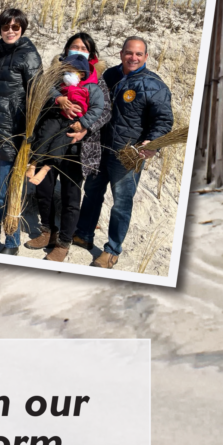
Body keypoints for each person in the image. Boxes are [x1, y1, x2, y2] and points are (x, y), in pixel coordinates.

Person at [75, 35, 174, 269]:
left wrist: (152, 143)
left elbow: (163, 120)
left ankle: (112, 250)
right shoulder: (110, 75)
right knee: (91, 192)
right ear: (121, 54)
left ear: (146, 57)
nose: (133, 57)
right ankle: (84, 234)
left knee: (121, 203)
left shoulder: (154, 85)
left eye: (139, 54)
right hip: (102, 148)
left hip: (128, 156)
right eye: (129, 52)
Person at [24, 36, 106, 261]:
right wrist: (58, 100)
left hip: (77, 147)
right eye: (75, 47)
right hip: (50, 139)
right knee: (44, 191)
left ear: (91, 54)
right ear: (67, 50)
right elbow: (38, 98)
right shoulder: (55, 73)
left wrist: (84, 129)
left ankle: (64, 242)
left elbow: (104, 111)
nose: (79, 51)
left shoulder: (97, 81)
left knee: (71, 195)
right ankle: (48, 231)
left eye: (84, 48)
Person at [0, 7, 43, 254]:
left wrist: (29, 136)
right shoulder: (1, 54)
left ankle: (12, 242)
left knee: (7, 192)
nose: (10, 31)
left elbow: (38, 92)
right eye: (6, 27)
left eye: (15, 27)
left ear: (22, 29)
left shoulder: (28, 54)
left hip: (12, 136)